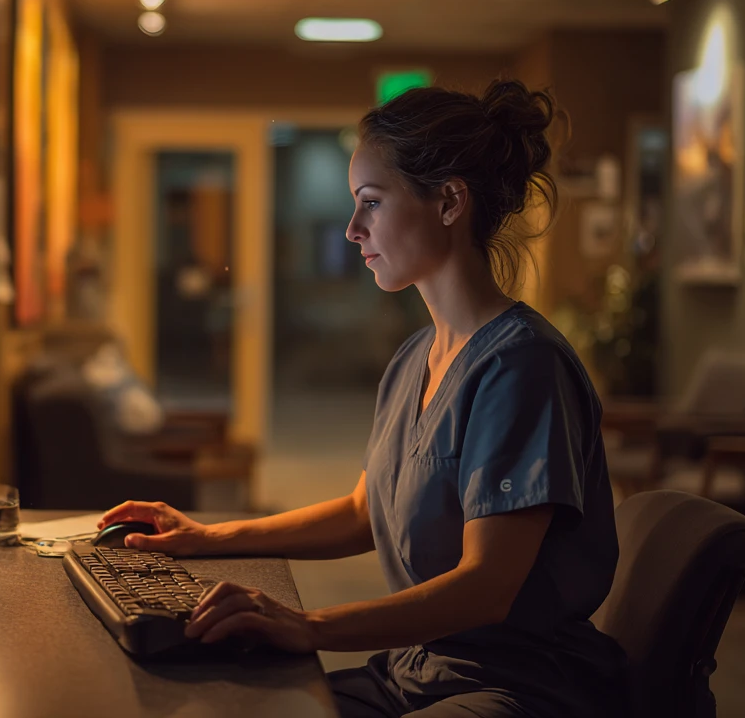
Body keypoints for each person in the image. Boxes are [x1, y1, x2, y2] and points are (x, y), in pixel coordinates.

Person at [99, 80, 626, 717]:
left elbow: (488, 588)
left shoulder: (523, 366)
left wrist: (307, 625)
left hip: (517, 684)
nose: (352, 230)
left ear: (450, 202)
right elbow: (362, 510)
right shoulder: (416, 358)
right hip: (420, 667)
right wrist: (205, 537)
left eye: (371, 203)